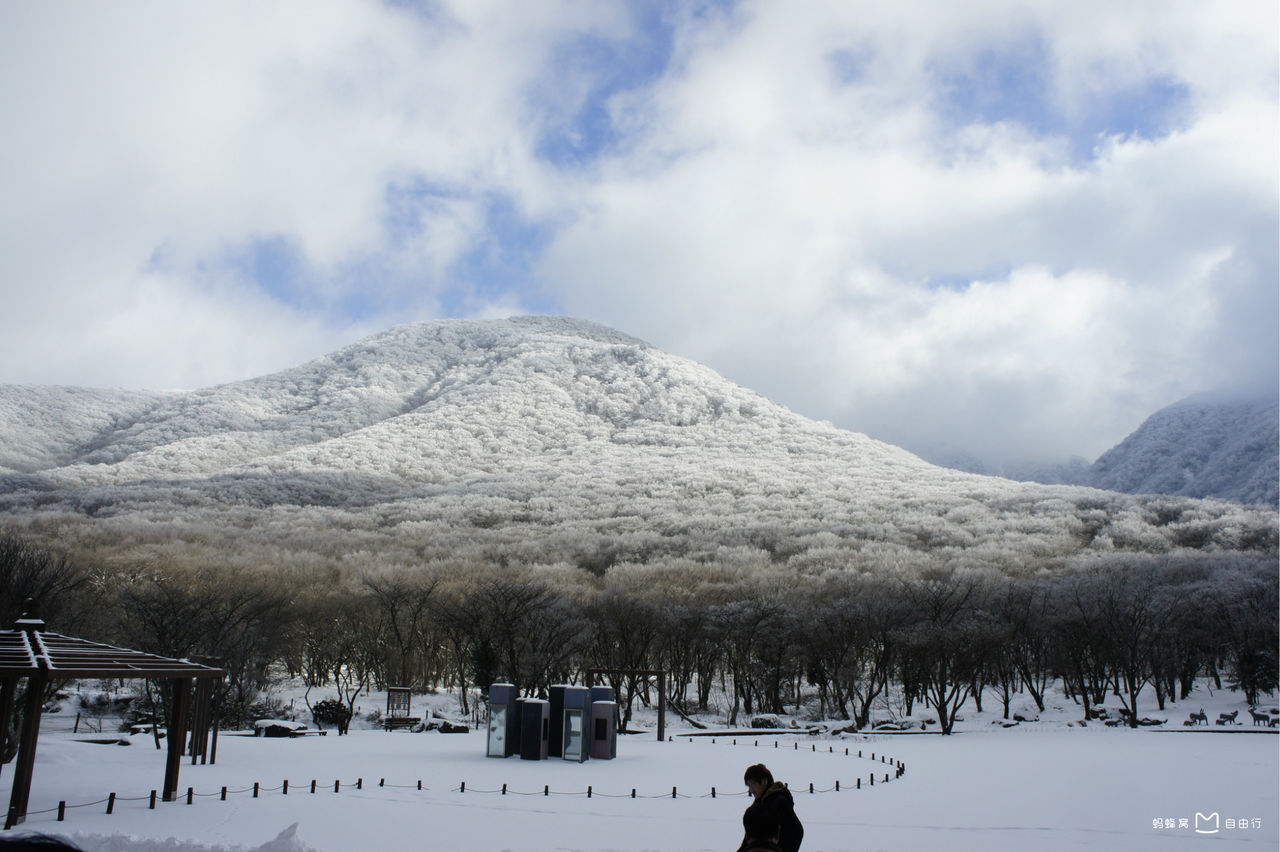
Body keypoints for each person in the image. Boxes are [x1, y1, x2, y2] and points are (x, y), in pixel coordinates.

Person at [737, 763, 803, 852]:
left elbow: (796, 831)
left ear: (764, 781)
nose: (751, 789)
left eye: (753, 784)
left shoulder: (778, 802)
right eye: (748, 785)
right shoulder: (762, 801)